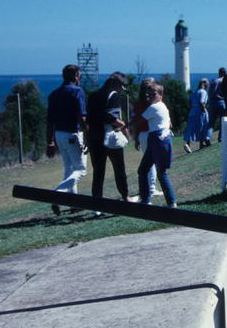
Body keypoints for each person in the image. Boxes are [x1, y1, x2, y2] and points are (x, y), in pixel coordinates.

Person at [86, 72, 135, 215]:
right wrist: (122, 124)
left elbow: (89, 117)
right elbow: (110, 117)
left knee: (98, 172)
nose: (123, 89)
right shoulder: (113, 95)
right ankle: (125, 197)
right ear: (115, 84)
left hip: (94, 138)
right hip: (110, 137)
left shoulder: (93, 95)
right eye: (123, 86)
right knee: (119, 169)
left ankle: (97, 205)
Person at [46, 64, 88, 216]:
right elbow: (81, 116)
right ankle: (58, 194)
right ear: (76, 75)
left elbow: (50, 121)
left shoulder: (54, 94)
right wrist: (87, 134)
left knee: (69, 169)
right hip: (73, 133)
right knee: (81, 170)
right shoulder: (77, 91)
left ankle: (73, 203)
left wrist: (50, 141)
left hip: (59, 135)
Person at [137, 82, 177, 207]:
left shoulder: (154, 107)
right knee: (144, 170)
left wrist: (122, 127)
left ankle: (170, 202)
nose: (149, 96)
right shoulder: (163, 106)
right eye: (148, 94)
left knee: (160, 173)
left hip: (158, 140)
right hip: (158, 140)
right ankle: (148, 200)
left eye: (153, 94)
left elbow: (139, 120)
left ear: (160, 94)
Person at [129, 78, 161, 198]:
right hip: (152, 133)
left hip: (142, 134)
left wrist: (136, 138)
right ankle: (151, 188)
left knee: (147, 163)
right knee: (152, 163)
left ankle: (149, 187)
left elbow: (136, 122)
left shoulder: (137, 103)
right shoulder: (152, 103)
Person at [183, 78, 210, 152]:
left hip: (192, 111)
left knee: (191, 128)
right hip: (200, 111)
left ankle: (187, 144)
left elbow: (189, 102)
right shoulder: (203, 92)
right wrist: (205, 111)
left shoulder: (194, 92)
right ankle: (201, 143)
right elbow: (201, 102)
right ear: (204, 84)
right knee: (202, 126)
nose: (208, 85)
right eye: (207, 83)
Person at [207, 67, 226, 142]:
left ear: (219, 72)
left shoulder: (213, 81)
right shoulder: (224, 81)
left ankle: (207, 137)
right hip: (221, 102)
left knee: (211, 122)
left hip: (212, 102)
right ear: (224, 73)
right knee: (222, 121)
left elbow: (210, 92)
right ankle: (220, 138)